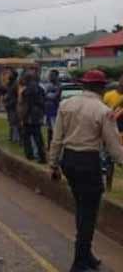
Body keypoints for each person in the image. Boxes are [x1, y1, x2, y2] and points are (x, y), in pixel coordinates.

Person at [49, 70, 123, 272]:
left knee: (82, 208)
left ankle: (85, 254)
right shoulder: (102, 110)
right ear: (101, 87)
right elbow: (114, 148)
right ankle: (80, 260)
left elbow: (56, 139)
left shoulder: (67, 104)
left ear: (83, 86)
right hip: (88, 162)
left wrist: (53, 165)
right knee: (88, 213)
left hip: (69, 160)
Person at [20, 71, 47, 163]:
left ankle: (29, 155)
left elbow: (26, 105)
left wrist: (23, 117)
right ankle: (42, 157)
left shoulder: (27, 90)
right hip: (38, 114)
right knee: (38, 137)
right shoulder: (40, 88)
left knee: (26, 136)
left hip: (30, 116)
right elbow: (44, 102)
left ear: (27, 79)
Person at [44, 69, 62, 150]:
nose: (50, 77)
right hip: (48, 111)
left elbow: (55, 96)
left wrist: (48, 95)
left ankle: (55, 147)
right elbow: (45, 96)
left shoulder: (59, 85)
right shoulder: (48, 85)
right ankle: (49, 145)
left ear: (56, 76)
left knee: (55, 130)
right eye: (49, 75)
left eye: (52, 75)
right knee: (49, 130)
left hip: (55, 111)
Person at [3, 69, 20, 144]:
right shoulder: (9, 84)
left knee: (14, 122)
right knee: (11, 122)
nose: (9, 76)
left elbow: (17, 95)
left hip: (14, 105)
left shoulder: (16, 84)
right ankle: (11, 137)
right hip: (9, 105)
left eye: (10, 74)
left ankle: (15, 138)